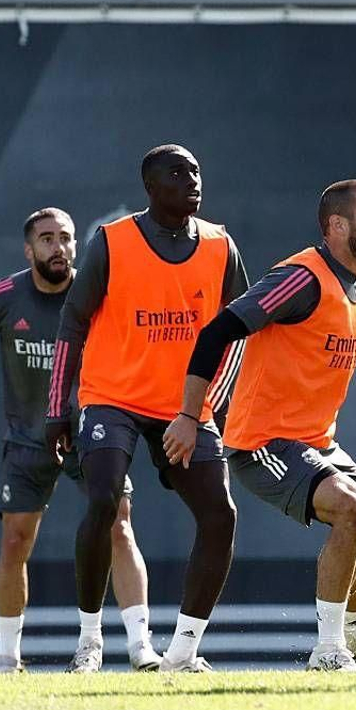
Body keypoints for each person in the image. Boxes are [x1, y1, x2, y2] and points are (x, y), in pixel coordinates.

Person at [0, 208, 158, 673]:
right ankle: (7, 656)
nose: (59, 248)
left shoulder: (98, 295)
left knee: (119, 523)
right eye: (47, 239)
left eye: (66, 238)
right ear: (29, 250)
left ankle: (139, 646)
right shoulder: (4, 295)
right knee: (15, 541)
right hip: (29, 439)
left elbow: (144, 345)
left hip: (90, 432)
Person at [45, 145, 249, 674]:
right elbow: (72, 323)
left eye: (196, 171)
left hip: (182, 407)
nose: (191, 180)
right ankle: (90, 640)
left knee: (220, 514)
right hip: (110, 398)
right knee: (105, 500)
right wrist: (57, 409)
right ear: (150, 187)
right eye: (178, 174)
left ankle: (182, 651)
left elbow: (239, 334)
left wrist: (202, 409)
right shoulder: (111, 242)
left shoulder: (221, 245)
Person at [172, 180, 356, 672]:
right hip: (262, 442)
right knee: (353, 508)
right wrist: (190, 415)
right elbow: (220, 330)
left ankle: (353, 634)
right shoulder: (301, 277)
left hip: (316, 441)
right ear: (337, 226)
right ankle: (327, 650)